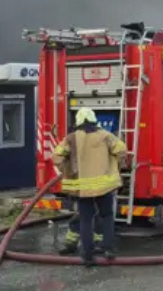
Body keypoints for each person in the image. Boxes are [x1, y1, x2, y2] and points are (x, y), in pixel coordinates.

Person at [51, 108, 125, 266]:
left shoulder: (71, 138)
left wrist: (67, 168)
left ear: (78, 122)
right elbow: (121, 150)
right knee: (106, 216)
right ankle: (108, 249)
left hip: (82, 187)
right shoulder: (105, 135)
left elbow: (56, 157)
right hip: (104, 186)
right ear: (93, 120)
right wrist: (114, 164)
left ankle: (87, 256)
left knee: (85, 220)